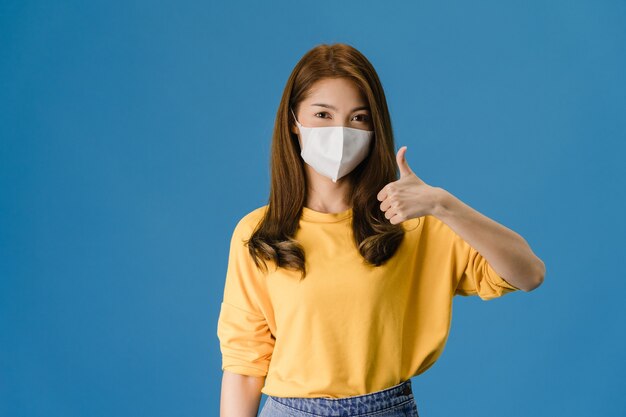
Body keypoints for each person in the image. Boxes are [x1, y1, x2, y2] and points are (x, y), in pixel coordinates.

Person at [216, 43, 546, 417]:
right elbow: (244, 363)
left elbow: (529, 274)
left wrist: (442, 204)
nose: (339, 132)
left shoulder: (410, 223)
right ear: (293, 121)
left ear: (374, 128)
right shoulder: (259, 233)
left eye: (357, 118)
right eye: (323, 114)